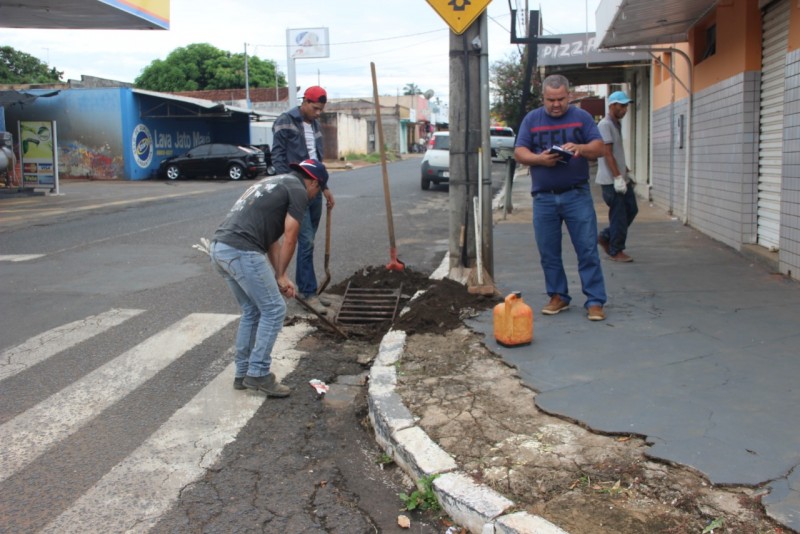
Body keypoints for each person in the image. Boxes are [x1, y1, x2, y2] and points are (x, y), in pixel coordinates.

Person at [209, 159, 329, 397]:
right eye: (318, 191)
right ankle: (259, 374)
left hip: (220, 248)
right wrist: (282, 275)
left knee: (253, 310)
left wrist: (279, 275)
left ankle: (242, 374)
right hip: (242, 250)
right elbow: (291, 235)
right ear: (314, 182)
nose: (315, 196)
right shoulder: (298, 190)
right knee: (274, 309)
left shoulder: (274, 182)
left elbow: (271, 239)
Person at [514, 74, 608, 321]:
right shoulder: (532, 119)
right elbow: (519, 151)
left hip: (577, 194)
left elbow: (599, 148)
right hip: (544, 198)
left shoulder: (582, 117)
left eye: (561, 99)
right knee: (548, 251)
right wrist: (539, 159)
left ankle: (595, 300)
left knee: (587, 249)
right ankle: (558, 296)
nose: (556, 104)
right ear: (543, 97)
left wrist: (580, 148)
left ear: (569, 95)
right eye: (550, 100)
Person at [271, 86, 334, 315]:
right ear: (305, 102)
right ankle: (308, 294)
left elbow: (317, 159)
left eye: (321, 109)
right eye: (315, 108)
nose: (318, 113)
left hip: (315, 189)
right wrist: (288, 186)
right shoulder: (285, 121)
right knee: (305, 240)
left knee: (309, 242)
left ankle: (309, 290)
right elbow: (277, 157)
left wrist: (325, 188)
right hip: (297, 189)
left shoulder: (315, 125)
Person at [596, 91, 639, 262]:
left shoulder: (616, 124)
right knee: (619, 215)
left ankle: (606, 236)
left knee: (631, 210)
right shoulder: (605, 125)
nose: (625, 109)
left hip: (621, 176)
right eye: (621, 106)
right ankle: (616, 250)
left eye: (626, 106)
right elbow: (607, 153)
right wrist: (617, 177)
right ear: (612, 105)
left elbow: (616, 152)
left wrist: (624, 169)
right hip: (611, 180)